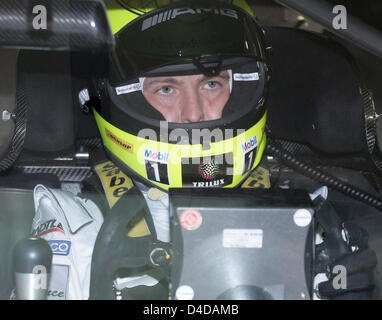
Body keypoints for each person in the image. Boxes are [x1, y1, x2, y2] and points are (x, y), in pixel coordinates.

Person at [18, 0, 377, 300]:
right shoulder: (75, 222)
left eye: (210, 83)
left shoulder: (311, 220)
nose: (194, 114)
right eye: (166, 89)